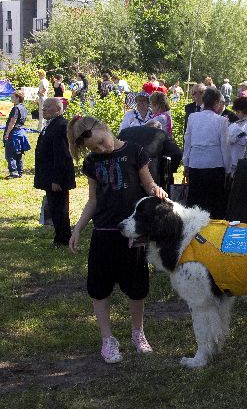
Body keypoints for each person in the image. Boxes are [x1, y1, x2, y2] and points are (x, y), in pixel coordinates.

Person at [67, 115, 168, 364]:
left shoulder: (135, 152)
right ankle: (107, 340)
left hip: (132, 234)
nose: (102, 149)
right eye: (95, 148)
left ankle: (138, 332)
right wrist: (78, 228)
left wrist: (159, 193)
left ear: (103, 127)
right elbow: (93, 200)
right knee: (99, 288)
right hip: (104, 233)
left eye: (101, 142)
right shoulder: (92, 162)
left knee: (137, 287)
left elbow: (149, 185)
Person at [34, 98, 76, 246]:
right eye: (43, 107)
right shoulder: (50, 124)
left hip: (57, 177)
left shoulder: (60, 126)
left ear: (58, 110)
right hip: (48, 174)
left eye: (47, 107)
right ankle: (60, 236)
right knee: (54, 206)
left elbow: (62, 155)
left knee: (60, 208)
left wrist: (57, 179)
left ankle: (63, 238)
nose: (43, 109)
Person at [183, 87, 230, 218]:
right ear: (216, 103)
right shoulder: (221, 120)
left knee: (196, 202)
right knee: (215, 203)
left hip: (196, 163)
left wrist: (186, 162)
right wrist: (228, 168)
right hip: (215, 165)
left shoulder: (193, 117)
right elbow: (225, 146)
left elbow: (188, 141)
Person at [3, 90, 31, 178]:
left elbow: (13, 121)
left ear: (18, 98)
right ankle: (20, 171)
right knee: (18, 154)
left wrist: (7, 133)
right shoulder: (23, 107)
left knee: (10, 154)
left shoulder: (16, 108)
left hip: (14, 133)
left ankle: (14, 172)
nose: (11, 99)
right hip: (20, 132)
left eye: (13, 97)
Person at [228, 97, 247, 174]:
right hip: (234, 162)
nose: (236, 113)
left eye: (238, 111)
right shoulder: (235, 124)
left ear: (245, 111)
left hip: (242, 163)